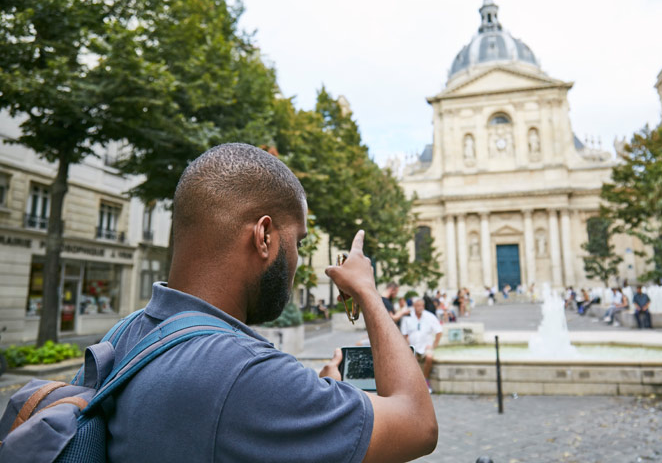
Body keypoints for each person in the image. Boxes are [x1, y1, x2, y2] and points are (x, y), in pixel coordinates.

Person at [103, 144, 437, 462]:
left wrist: (307, 405)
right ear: (264, 236)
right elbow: (418, 424)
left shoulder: (122, 335)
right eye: (299, 242)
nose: (297, 260)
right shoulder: (247, 374)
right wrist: (367, 291)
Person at [401, 298, 443, 393]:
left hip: (426, 346)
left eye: (422, 305)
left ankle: (426, 379)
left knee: (429, 357)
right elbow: (405, 334)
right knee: (412, 361)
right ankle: (416, 384)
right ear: (414, 306)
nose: (420, 308)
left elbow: (439, 332)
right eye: (418, 305)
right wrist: (409, 347)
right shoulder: (408, 317)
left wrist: (433, 346)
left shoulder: (429, 316)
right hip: (413, 347)